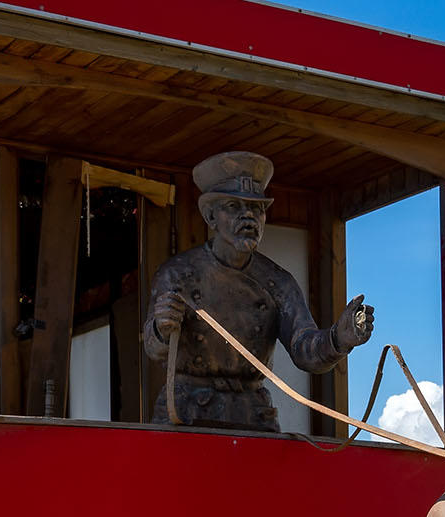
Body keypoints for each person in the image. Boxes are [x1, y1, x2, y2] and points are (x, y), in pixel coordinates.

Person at [141, 151, 374, 431]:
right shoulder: (178, 274)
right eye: (234, 206)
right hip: (188, 415)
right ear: (210, 216)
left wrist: (339, 338)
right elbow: (153, 349)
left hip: (252, 416)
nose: (248, 216)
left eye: (257, 209)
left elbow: (305, 350)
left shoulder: (277, 282)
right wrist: (161, 328)